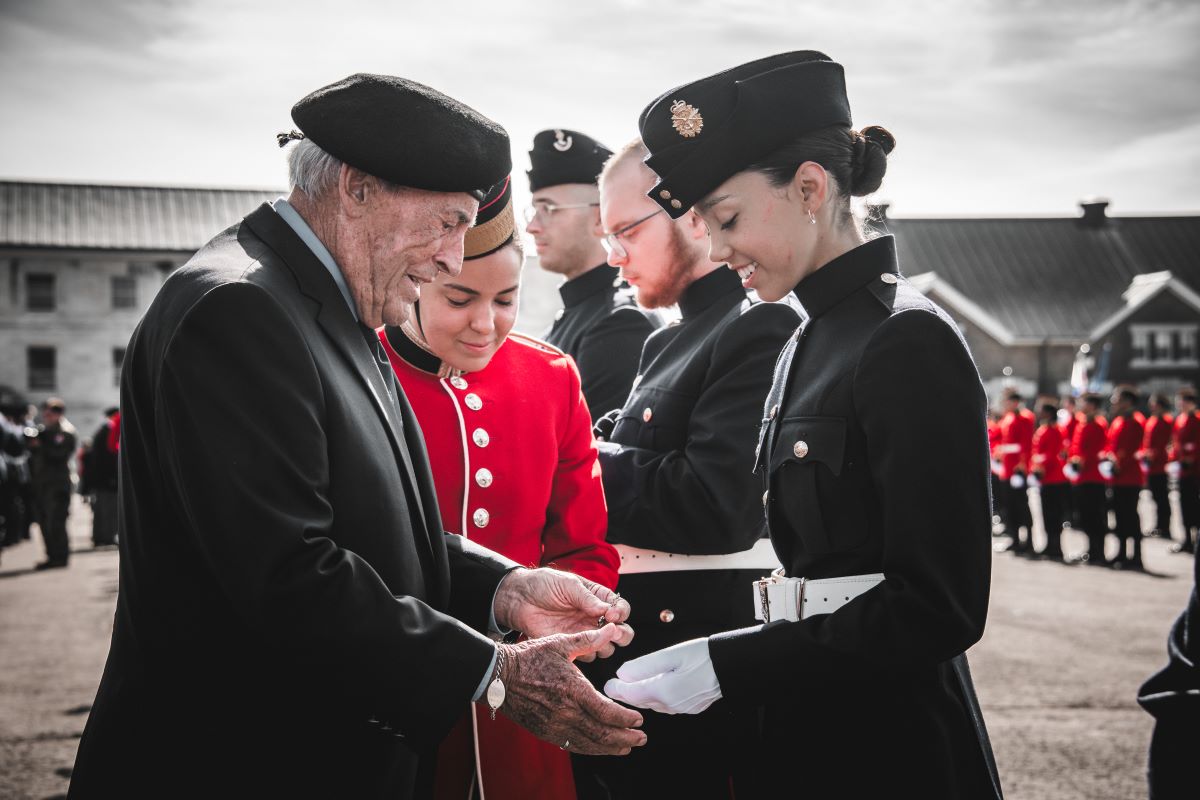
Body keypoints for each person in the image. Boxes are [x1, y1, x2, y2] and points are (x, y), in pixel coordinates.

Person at [68, 74, 646, 800]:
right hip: (234, 764)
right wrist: (491, 673)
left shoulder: (329, 302)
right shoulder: (240, 309)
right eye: (446, 223)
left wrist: (504, 585)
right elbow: (284, 572)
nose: (449, 257)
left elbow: (374, 528)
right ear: (356, 188)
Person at [604, 51, 1002, 799]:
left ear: (811, 188)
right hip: (807, 726)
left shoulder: (905, 338)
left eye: (726, 219)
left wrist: (733, 664)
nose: (717, 250)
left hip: (893, 745)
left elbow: (937, 606)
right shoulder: (803, 336)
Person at [572, 137, 801, 799]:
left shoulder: (757, 325)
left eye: (625, 231)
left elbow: (714, 503)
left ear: (689, 214)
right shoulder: (667, 340)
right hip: (643, 657)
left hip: (703, 665)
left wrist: (578, 455)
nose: (613, 255)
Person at [379, 175, 619, 800]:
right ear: (416, 280)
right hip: (397, 700)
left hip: (524, 720)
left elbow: (584, 541)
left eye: (507, 300)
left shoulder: (552, 376)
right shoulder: (363, 367)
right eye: (459, 298)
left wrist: (574, 624)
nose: (487, 325)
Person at [526, 129, 663, 421]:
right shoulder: (573, 318)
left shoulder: (620, 322)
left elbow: (586, 455)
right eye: (533, 210)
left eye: (548, 208)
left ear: (601, 218)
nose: (532, 226)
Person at [29, 397, 76, 570]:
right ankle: (52, 555)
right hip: (43, 483)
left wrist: (40, 444)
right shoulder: (44, 431)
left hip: (57, 484)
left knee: (55, 521)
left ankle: (60, 557)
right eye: (45, 413)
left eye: (50, 413)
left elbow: (59, 455)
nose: (46, 416)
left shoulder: (65, 432)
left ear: (58, 414)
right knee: (44, 521)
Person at [1102, 385, 1146, 569]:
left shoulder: (1136, 422)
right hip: (1117, 476)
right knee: (1119, 517)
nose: (1114, 402)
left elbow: (1133, 450)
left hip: (1129, 477)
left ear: (1127, 402)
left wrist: (1118, 463)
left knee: (1130, 517)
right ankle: (1121, 552)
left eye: (1117, 399)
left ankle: (1135, 555)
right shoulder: (1118, 421)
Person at [1068, 393, 1109, 564]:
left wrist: (1082, 461)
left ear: (1092, 405)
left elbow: (1098, 451)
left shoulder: (1098, 424)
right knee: (1086, 516)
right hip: (1083, 476)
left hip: (1093, 477)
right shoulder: (1083, 422)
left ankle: (1098, 551)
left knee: (1095, 517)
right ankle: (1092, 550)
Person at [996, 388, 1036, 554]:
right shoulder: (1008, 418)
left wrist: (1022, 464)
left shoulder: (1025, 417)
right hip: (1006, 468)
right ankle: (1015, 539)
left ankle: (1028, 541)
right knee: (1010, 507)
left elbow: (1025, 443)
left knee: (1021, 506)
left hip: (1017, 470)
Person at [1031, 399, 1068, 560]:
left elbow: (1052, 454)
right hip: (1046, 478)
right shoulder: (1045, 429)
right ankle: (1049, 545)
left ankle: (1055, 546)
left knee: (1054, 515)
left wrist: (1039, 465)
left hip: (1054, 478)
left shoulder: (1055, 430)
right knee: (1046, 514)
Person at [1170, 386, 1199, 553]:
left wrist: (1190, 457)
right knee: (1184, 506)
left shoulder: (1196, 419)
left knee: (1194, 505)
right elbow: (1176, 443)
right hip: (1182, 469)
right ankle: (1187, 538)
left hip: (1194, 470)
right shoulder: (1180, 419)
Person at [85, 407, 120, 547]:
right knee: (108, 509)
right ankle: (106, 537)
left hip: (100, 478)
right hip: (107, 478)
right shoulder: (107, 431)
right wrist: (113, 477)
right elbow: (108, 457)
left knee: (101, 509)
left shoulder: (102, 430)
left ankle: (99, 537)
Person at [1141, 393, 1174, 539]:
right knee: (1155, 497)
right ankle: (1159, 525)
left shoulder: (1166, 421)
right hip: (1151, 464)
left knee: (1162, 498)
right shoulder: (1152, 420)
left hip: (1161, 465)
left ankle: (1165, 527)